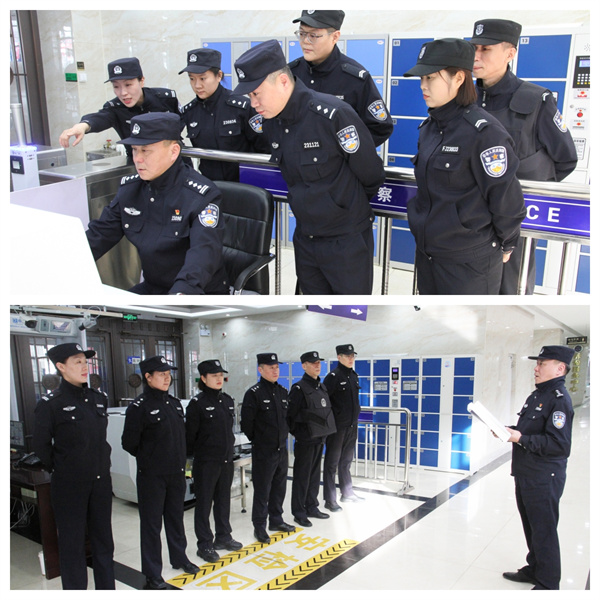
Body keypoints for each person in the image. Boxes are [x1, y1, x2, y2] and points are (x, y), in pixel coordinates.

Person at [233, 39, 386, 295]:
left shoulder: (333, 115)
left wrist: (339, 206)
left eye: (256, 93)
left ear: (283, 81)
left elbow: (371, 174)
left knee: (349, 313)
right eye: (249, 96)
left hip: (345, 239)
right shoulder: (272, 123)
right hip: (305, 238)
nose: (253, 103)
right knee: (315, 311)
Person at [403, 38, 526, 295]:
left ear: (459, 78)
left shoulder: (485, 133)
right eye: (421, 79)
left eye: (431, 78)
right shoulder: (429, 128)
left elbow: (506, 200)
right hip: (429, 256)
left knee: (466, 321)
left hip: (468, 263)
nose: (423, 86)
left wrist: (507, 243)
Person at [470, 19, 578, 294]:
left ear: (510, 53)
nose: (476, 56)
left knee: (510, 292)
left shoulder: (535, 99)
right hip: (469, 221)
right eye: (474, 48)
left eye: (486, 49)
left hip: (513, 225)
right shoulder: (463, 99)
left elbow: (565, 159)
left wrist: (525, 192)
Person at [86, 111, 228, 295]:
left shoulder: (201, 195)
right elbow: (99, 235)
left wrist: (179, 296)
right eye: (134, 150)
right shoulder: (131, 190)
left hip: (196, 292)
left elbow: (203, 255)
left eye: (145, 150)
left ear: (174, 151)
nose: (137, 159)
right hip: (154, 288)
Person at [33, 343, 115, 590]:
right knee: (72, 545)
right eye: (77, 361)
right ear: (61, 367)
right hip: (69, 485)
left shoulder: (98, 399)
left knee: (104, 542)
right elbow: (41, 447)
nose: (84, 366)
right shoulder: (50, 404)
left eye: (85, 361)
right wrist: (66, 468)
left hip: (100, 482)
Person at [121, 356, 198, 590]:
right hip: (152, 476)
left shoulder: (174, 404)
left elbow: (181, 439)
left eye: (168, 374)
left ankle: (179, 558)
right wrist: (151, 458)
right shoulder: (139, 407)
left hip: (176, 473)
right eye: (161, 374)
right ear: (148, 377)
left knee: (175, 518)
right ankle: (152, 573)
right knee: (152, 525)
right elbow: (129, 443)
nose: (167, 378)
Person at [503, 345, 575, 590]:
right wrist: (510, 431)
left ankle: (548, 583)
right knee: (531, 526)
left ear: (560, 368)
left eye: (542, 364)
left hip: (544, 476)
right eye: (537, 363)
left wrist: (520, 438)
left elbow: (559, 445)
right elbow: (531, 430)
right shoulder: (537, 396)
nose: (536, 368)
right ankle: (535, 568)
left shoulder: (559, 400)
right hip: (527, 472)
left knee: (544, 529)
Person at [289, 10, 394, 147]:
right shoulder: (290, 74)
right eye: (302, 34)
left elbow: (380, 127)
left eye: (313, 36)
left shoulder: (354, 79)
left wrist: (344, 151)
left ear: (335, 37)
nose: (304, 42)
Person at [59, 57, 181, 159]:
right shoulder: (115, 108)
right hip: (140, 167)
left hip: (174, 163)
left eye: (128, 85)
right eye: (116, 87)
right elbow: (100, 118)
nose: (123, 93)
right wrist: (82, 126)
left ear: (141, 81)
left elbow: (183, 121)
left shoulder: (165, 98)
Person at [179, 48, 269, 182]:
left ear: (219, 76)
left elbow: (264, 147)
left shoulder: (242, 107)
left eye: (203, 78)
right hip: (210, 185)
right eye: (192, 79)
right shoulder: (189, 112)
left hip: (245, 185)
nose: (197, 85)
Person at [185, 359, 242, 563]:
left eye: (221, 375)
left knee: (223, 500)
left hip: (225, 460)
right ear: (203, 378)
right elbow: (189, 438)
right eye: (214, 376)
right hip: (206, 463)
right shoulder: (197, 404)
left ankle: (223, 537)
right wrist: (192, 462)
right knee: (203, 504)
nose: (219, 379)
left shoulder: (227, 400)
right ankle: (205, 545)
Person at [241, 353, 295, 544]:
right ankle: (259, 526)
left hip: (281, 449)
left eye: (277, 367)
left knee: (279, 487)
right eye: (271, 367)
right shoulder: (254, 394)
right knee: (262, 490)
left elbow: (288, 419)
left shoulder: (282, 391)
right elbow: (247, 424)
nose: (275, 371)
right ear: (260, 369)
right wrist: (261, 441)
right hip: (264, 450)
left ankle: (276, 520)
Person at [287, 351, 337, 527]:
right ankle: (299, 512)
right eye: (313, 363)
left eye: (319, 363)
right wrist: (301, 434)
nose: (317, 365)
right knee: (302, 477)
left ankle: (312, 506)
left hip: (319, 439)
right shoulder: (299, 389)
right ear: (304, 366)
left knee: (315, 476)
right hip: (305, 441)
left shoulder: (321, 387)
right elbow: (290, 417)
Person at [322, 343, 363, 510]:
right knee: (331, 464)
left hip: (352, 426)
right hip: (337, 428)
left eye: (352, 356)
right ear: (339, 357)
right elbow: (325, 403)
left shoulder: (353, 376)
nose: (351, 359)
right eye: (347, 356)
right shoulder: (333, 377)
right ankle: (330, 499)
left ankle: (347, 492)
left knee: (346, 461)